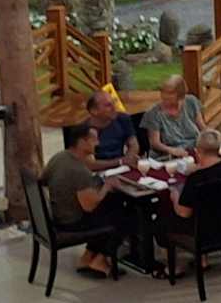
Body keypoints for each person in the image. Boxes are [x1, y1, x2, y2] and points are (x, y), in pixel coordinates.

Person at [43, 123, 128, 278]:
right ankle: (100, 260)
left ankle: (88, 256)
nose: (98, 143)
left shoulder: (58, 157)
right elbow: (89, 207)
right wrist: (106, 187)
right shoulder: (79, 171)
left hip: (58, 213)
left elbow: (42, 179)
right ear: (82, 142)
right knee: (123, 212)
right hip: (72, 221)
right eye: (94, 139)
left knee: (111, 203)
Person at [140, 76, 206, 158]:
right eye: (163, 91)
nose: (164, 96)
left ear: (180, 94)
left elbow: (202, 127)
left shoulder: (191, 102)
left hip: (196, 149)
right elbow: (154, 143)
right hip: (170, 154)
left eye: (170, 93)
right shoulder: (153, 113)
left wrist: (212, 139)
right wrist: (171, 150)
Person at [83, 90, 139, 171]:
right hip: (99, 173)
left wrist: (129, 157)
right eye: (108, 105)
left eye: (114, 103)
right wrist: (121, 161)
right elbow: (90, 164)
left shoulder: (122, 119)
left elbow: (134, 144)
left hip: (122, 168)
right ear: (94, 111)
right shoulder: (84, 131)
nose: (114, 107)